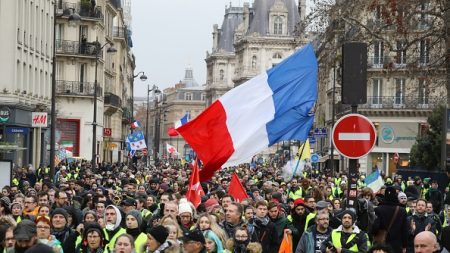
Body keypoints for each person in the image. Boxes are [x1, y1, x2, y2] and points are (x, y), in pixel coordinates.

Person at [372, 186, 408, 253]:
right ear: (395, 195)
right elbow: (404, 230)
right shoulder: (402, 210)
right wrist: (404, 246)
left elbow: (375, 227)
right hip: (396, 245)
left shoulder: (378, 209)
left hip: (381, 245)